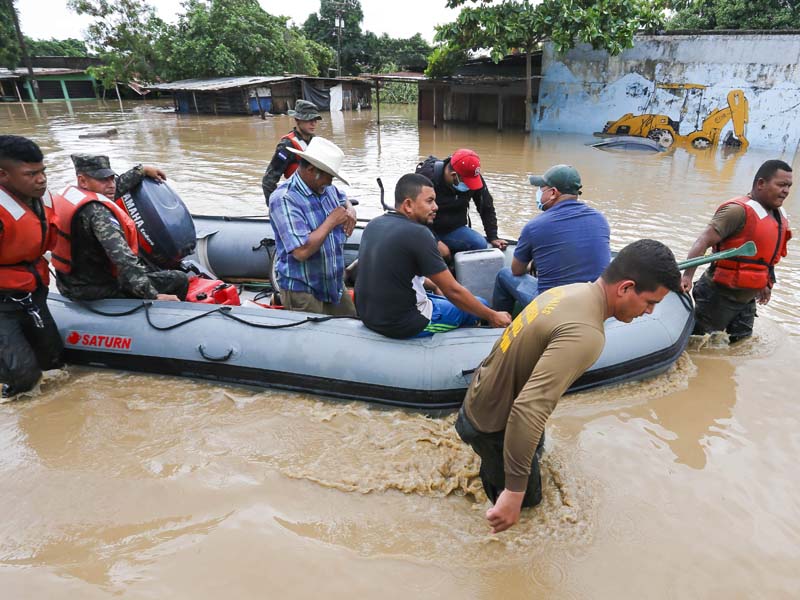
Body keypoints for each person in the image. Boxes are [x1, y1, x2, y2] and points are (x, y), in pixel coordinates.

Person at [456, 239, 681, 533]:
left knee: (526, 460)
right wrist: (514, 491)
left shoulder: (569, 292)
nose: (650, 312)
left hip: (478, 401)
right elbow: (528, 409)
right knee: (526, 513)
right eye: (650, 302)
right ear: (625, 288)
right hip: (492, 426)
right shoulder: (587, 333)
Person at [355, 173, 511, 338]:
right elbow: (452, 291)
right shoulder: (419, 234)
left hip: (370, 315)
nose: (436, 207)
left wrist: (435, 285)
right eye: (429, 201)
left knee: (455, 300)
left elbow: (399, 272)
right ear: (408, 205)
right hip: (405, 323)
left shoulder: (374, 224)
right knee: (482, 305)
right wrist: (492, 315)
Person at [680, 159, 792, 343]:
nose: (786, 191)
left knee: (740, 344)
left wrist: (767, 282)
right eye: (781, 185)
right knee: (696, 344)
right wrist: (687, 277)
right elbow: (703, 241)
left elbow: (768, 257)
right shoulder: (737, 211)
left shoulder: (779, 215)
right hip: (718, 296)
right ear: (761, 184)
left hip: (747, 299)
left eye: (788, 186)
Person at [52, 154, 189, 302]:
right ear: (83, 180)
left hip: (69, 281)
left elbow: (114, 188)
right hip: (93, 288)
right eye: (103, 179)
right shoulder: (98, 214)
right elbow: (123, 259)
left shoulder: (75, 195)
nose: (111, 184)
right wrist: (152, 295)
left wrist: (141, 170)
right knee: (179, 279)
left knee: (147, 265)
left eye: (111, 178)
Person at [492, 164, 611, 312]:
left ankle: (499, 326)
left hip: (553, 309)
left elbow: (516, 270)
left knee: (504, 274)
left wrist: (530, 265)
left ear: (553, 192)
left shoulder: (535, 226)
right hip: (594, 304)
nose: (538, 193)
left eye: (541, 189)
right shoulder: (600, 219)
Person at [0, 135, 64, 399]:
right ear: (3, 175)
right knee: (24, 378)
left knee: (54, 364)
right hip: (3, 301)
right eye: (31, 174)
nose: (41, 179)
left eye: (42, 172)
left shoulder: (39, 197)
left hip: (33, 291)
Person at [269, 136, 358, 316]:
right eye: (328, 176)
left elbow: (342, 196)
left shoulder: (326, 189)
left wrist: (350, 210)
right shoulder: (284, 199)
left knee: (350, 323)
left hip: (333, 284)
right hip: (303, 289)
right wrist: (331, 221)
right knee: (311, 341)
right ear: (311, 170)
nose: (331, 182)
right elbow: (301, 252)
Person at [415, 149, 507, 259]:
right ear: (454, 175)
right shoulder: (427, 178)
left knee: (479, 244)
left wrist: (493, 236)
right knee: (433, 253)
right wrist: (436, 241)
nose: (470, 186)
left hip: (453, 229)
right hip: (425, 229)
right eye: (467, 182)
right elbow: (416, 217)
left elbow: (486, 207)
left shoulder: (473, 177)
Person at [262, 99, 322, 202]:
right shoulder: (287, 146)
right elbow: (268, 182)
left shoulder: (316, 142)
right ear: (297, 120)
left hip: (316, 196)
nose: (313, 123)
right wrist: (277, 207)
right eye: (309, 119)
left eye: (315, 119)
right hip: (297, 199)